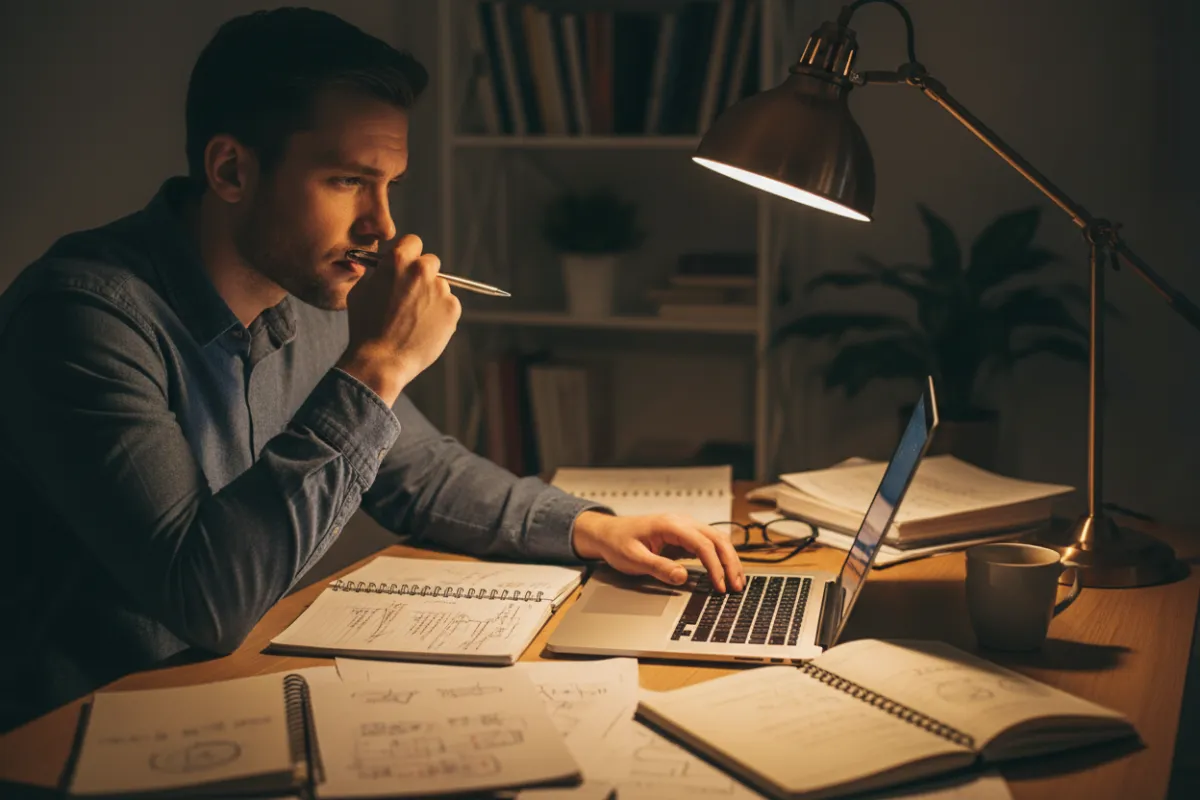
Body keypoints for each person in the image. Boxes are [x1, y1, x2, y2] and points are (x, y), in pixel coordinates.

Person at [0, 7, 743, 732]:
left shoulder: (309, 290)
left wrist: (588, 527)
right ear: (231, 169)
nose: (382, 227)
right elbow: (208, 601)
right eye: (349, 181)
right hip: (75, 738)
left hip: (227, 700)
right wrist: (378, 365)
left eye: (389, 183)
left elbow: (419, 470)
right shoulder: (81, 320)